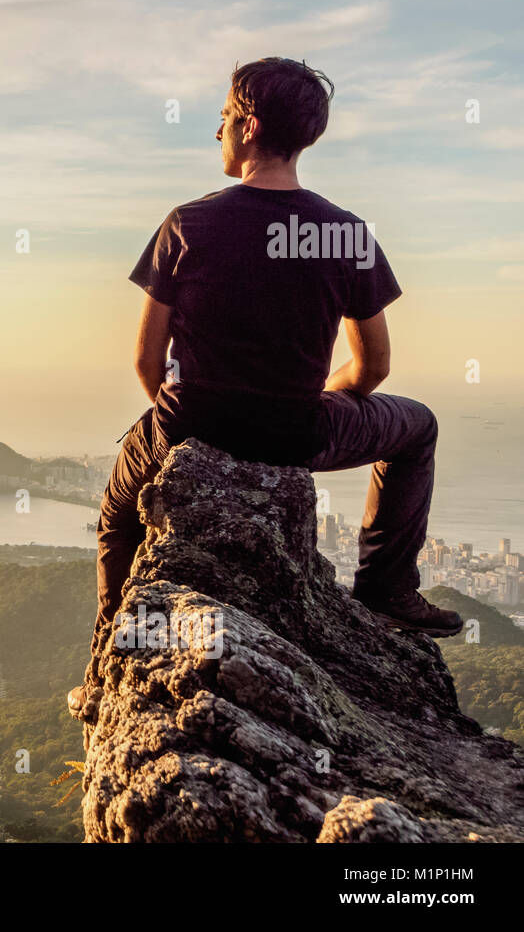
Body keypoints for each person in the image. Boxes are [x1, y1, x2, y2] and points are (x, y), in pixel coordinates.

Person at [95, 57, 462, 640]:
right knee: (418, 427)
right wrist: (308, 399)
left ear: (250, 126)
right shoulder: (345, 233)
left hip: (191, 423)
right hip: (298, 432)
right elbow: (373, 367)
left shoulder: (188, 225)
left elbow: (146, 362)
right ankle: (386, 589)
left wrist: (188, 427)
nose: (217, 131)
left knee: (118, 522)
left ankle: (115, 642)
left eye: (224, 117)